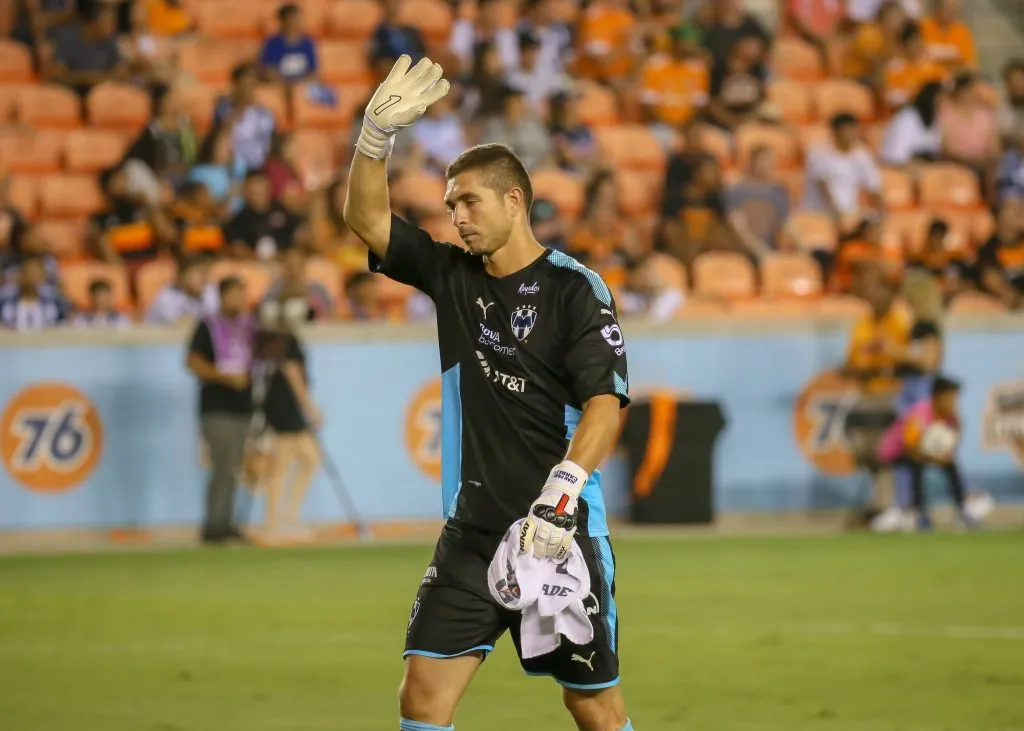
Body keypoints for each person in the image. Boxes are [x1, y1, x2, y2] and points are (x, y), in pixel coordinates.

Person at [344, 55, 634, 731]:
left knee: (592, 704)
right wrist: (372, 139)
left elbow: (605, 401)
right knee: (422, 698)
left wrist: (560, 495)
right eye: (449, 205)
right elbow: (367, 219)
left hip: (560, 533)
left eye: (468, 202)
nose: (457, 218)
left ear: (514, 200)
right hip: (473, 533)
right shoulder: (452, 275)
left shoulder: (574, 289)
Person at [186, 277, 254, 545]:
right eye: (235, 293)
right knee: (223, 465)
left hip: (243, 406)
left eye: (242, 292)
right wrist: (224, 377)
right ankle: (214, 525)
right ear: (222, 296)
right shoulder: (208, 325)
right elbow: (193, 361)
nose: (239, 299)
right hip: (217, 406)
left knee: (234, 466)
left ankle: (226, 522)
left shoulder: (250, 325)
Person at [875, 375, 973, 530]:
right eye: (950, 398)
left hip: (926, 453)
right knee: (917, 466)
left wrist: (945, 454)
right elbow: (910, 447)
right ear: (937, 396)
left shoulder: (951, 416)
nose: (953, 403)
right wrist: (934, 457)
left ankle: (962, 511)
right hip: (895, 453)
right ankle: (920, 513)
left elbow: (953, 440)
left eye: (955, 399)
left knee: (951, 466)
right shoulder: (920, 413)